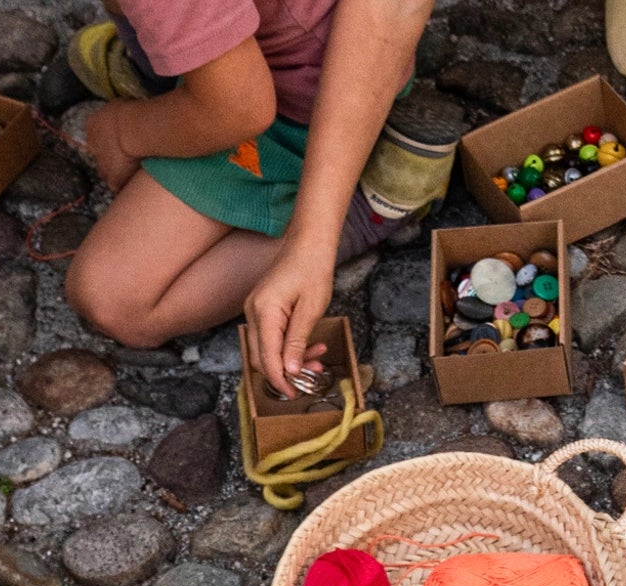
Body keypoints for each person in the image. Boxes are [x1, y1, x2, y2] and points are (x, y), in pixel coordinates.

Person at [62, 0, 453, 395]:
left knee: (115, 301)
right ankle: (175, 64)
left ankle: (366, 210)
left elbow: (240, 109)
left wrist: (122, 131)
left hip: (308, 96)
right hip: (272, 55)